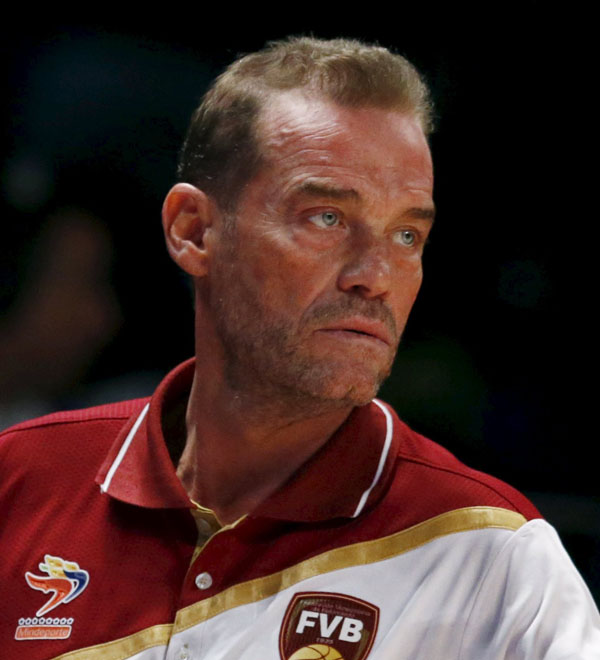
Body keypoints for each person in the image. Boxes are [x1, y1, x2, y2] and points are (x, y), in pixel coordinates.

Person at [1, 37, 598, 660]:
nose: (375, 273)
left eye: (406, 233)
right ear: (194, 231)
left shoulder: (498, 560)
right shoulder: (17, 481)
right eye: (327, 218)